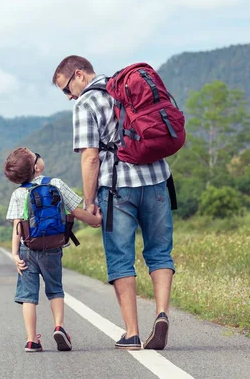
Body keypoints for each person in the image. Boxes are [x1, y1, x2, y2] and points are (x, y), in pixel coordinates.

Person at [52, 55, 175, 350]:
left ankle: (132, 332)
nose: (69, 97)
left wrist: (90, 200)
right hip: (157, 178)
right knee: (160, 252)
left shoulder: (86, 103)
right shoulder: (127, 88)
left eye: (67, 89)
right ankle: (161, 313)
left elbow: (90, 157)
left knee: (121, 258)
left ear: (79, 75)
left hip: (117, 188)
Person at [4, 147, 102, 352]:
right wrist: (95, 220)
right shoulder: (55, 184)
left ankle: (31, 339)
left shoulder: (18, 194)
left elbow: (17, 226)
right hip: (53, 248)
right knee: (55, 289)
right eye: (36, 155)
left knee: (28, 296)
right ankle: (59, 327)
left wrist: (14, 255)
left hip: (27, 250)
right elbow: (76, 211)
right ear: (37, 167)